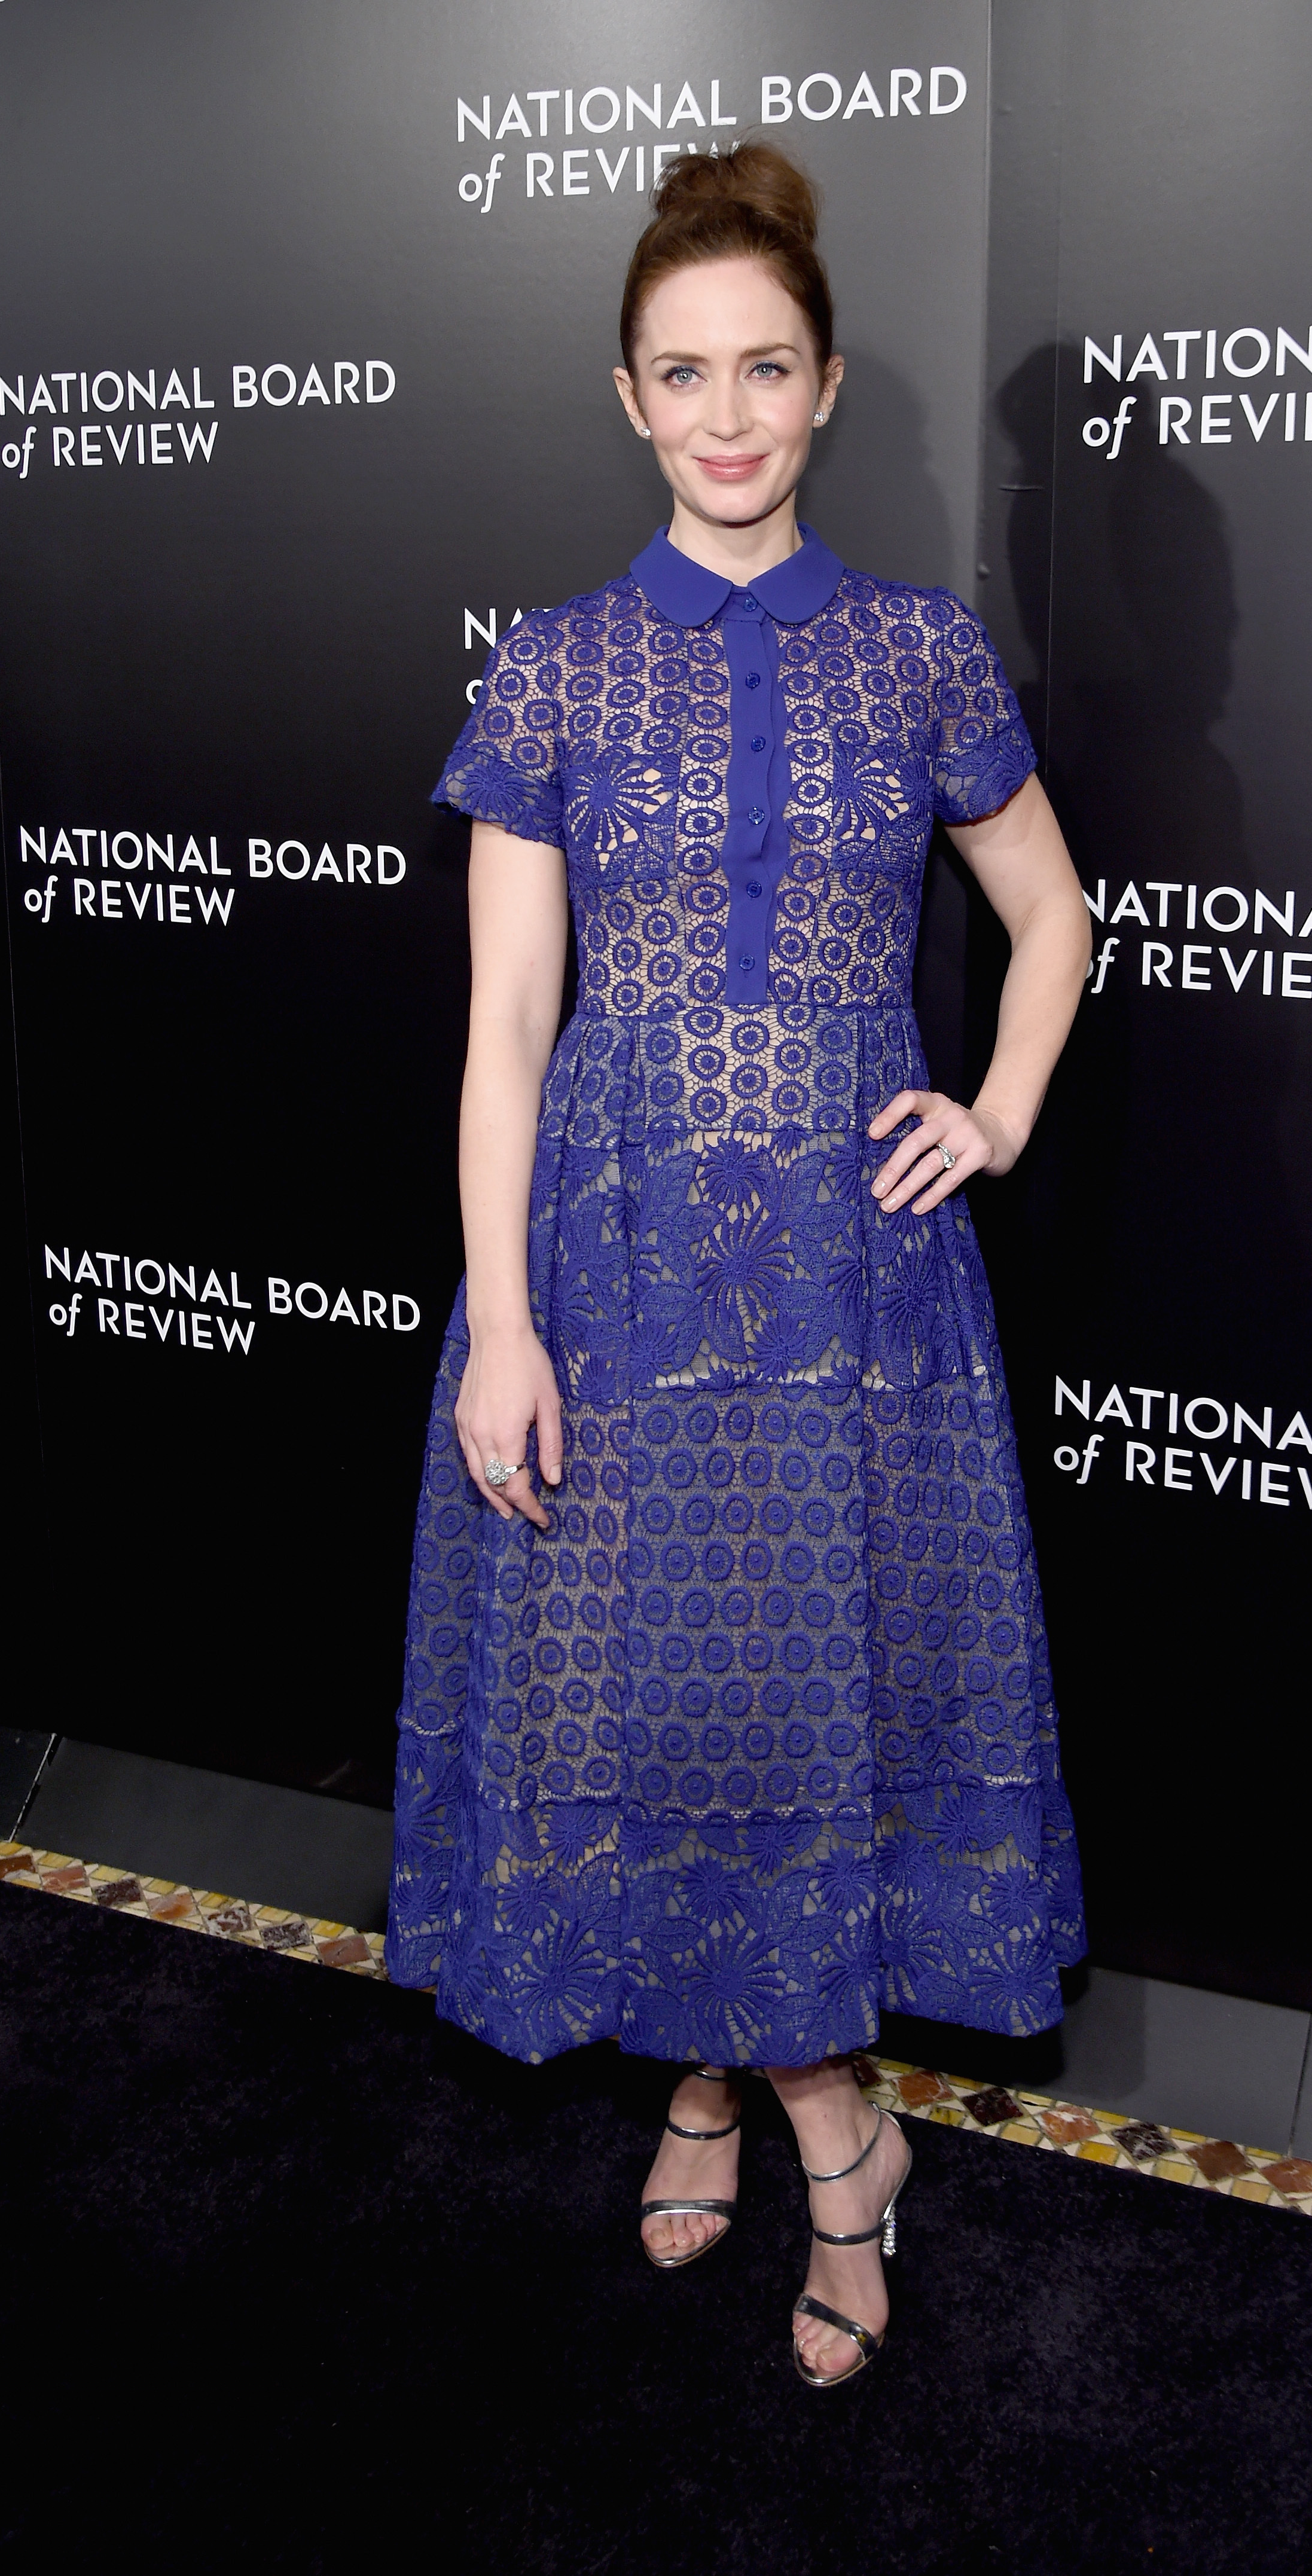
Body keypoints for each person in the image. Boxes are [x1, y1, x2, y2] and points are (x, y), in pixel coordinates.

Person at [387, 142, 1090, 2386]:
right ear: (627, 397)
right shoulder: (554, 670)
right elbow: (507, 1026)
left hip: (850, 1287)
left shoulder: (916, 649)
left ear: (826, 386)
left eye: (763, 370)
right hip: (608, 1279)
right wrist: (503, 1325)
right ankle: (761, 2090)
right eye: (680, 373)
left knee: (812, 1699)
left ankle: (809, 2116)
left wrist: (994, 1110)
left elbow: (1051, 914)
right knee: (659, 1701)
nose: (724, 413)